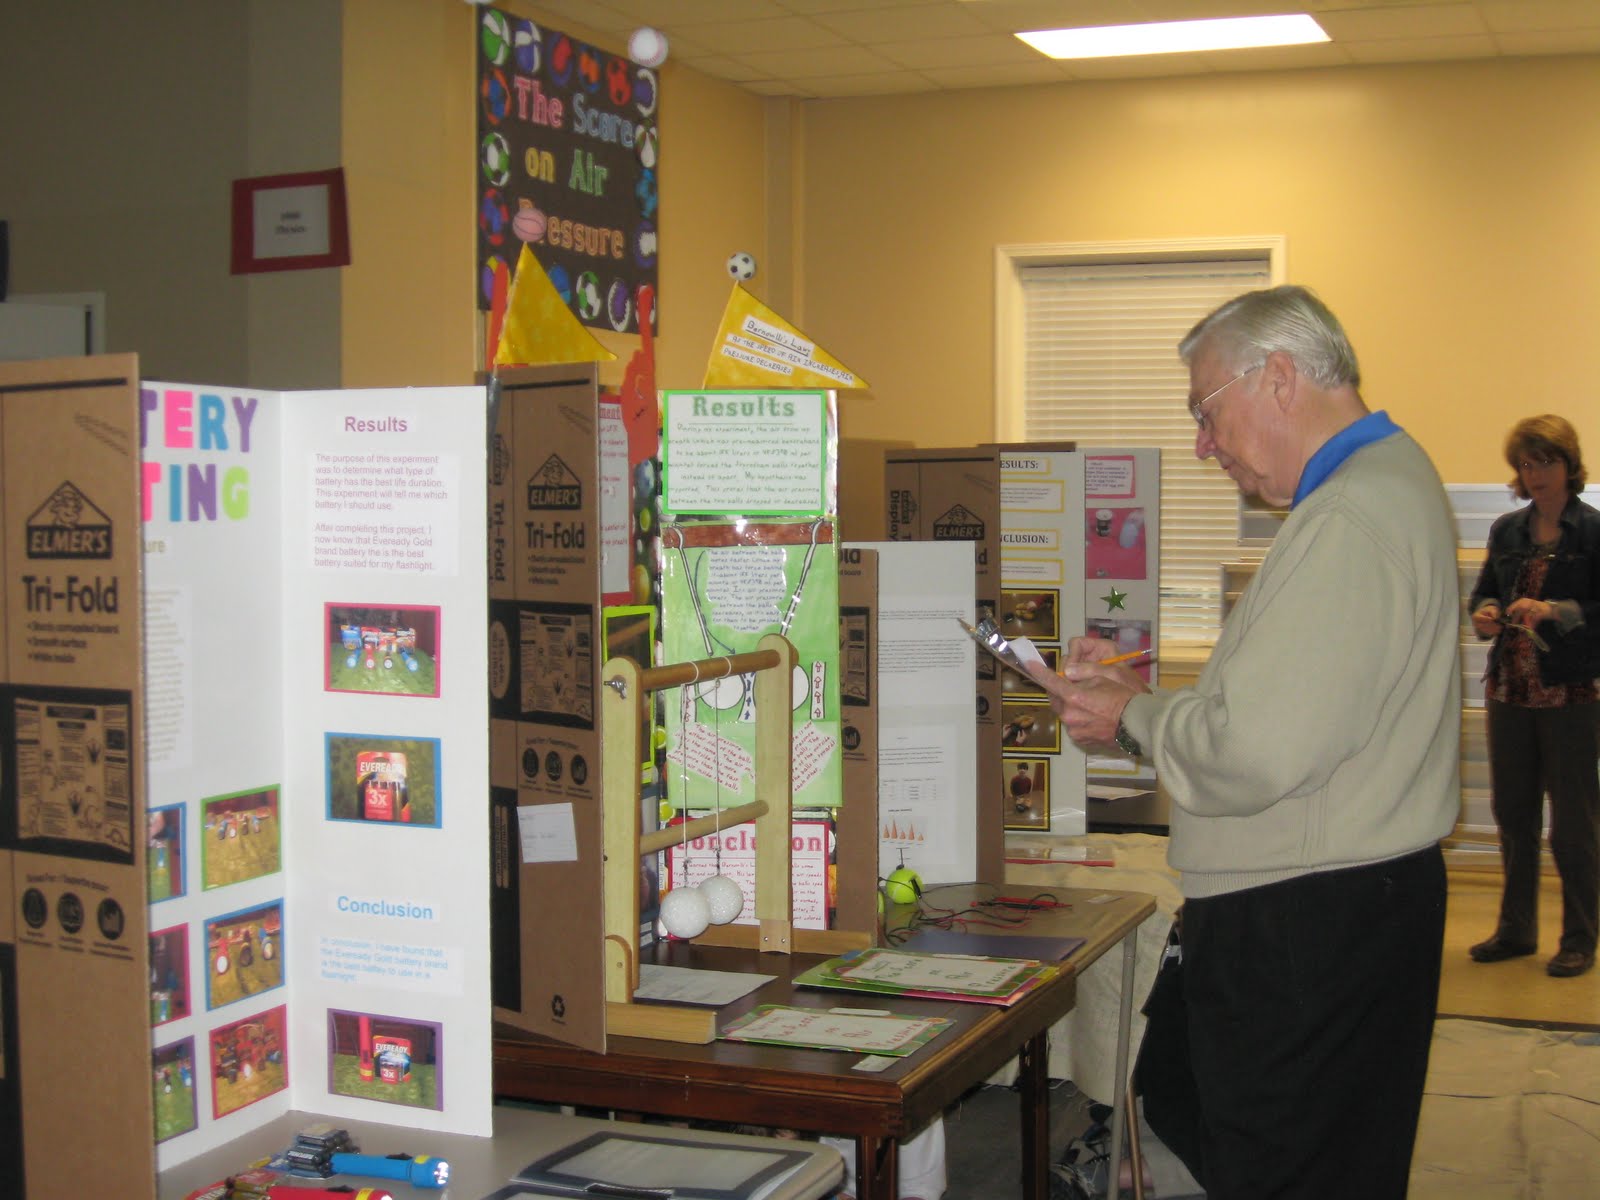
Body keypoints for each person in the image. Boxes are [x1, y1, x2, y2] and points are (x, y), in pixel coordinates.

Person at [1027, 286, 1460, 1199]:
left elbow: (1255, 752)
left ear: (1277, 378)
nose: (1201, 445)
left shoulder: (1346, 519)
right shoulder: (1385, 483)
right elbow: (1296, 710)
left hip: (1306, 926)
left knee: (1282, 1166)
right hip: (1348, 904)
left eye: (1203, 411)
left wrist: (1129, 717)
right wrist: (1146, 693)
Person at [1466, 415, 1599, 979]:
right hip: (1509, 691)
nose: (1535, 473)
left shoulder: (1593, 532)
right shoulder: (1507, 531)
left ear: (1569, 466)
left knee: (1573, 823)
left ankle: (1579, 938)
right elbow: (1485, 593)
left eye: (1546, 462)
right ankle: (1517, 931)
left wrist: (1556, 611)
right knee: (1513, 814)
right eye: (1526, 464)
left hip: (1568, 694)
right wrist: (1487, 614)